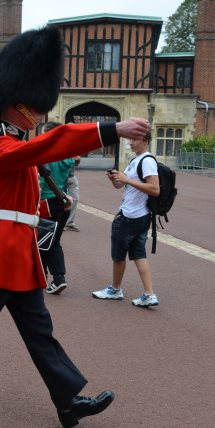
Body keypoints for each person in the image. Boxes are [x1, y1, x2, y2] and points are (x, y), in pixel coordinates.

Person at [0, 26, 149, 428]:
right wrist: (110, 129)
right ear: (20, 106)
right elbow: (52, 143)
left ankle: (67, 400)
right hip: (2, 251)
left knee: (39, 328)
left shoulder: (16, 145)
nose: (40, 115)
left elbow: (26, 191)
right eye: (37, 109)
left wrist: (52, 204)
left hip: (20, 250)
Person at [92, 131, 160, 307]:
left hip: (130, 215)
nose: (130, 142)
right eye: (129, 139)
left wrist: (127, 180)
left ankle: (115, 289)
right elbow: (120, 186)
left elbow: (155, 189)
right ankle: (149, 294)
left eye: (134, 139)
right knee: (138, 253)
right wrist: (115, 179)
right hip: (140, 215)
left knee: (118, 254)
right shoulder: (135, 160)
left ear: (145, 140)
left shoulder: (147, 161)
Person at [37, 122, 76, 295]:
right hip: (63, 201)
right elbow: (70, 175)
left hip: (46, 203)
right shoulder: (67, 155)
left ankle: (55, 277)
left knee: (42, 240)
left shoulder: (43, 154)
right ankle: (49, 277)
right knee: (53, 241)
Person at [64, 155, 81, 231]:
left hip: (71, 177)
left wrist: (78, 160)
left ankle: (69, 223)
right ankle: (59, 222)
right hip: (61, 177)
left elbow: (76, 163)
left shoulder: (72, 151)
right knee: (60, 199)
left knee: (75, 199)